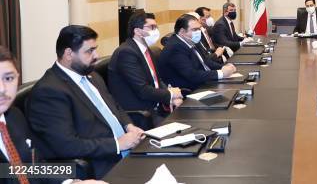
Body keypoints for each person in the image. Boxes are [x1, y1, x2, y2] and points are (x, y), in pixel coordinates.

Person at [27, 26, 144, 179]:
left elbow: (115, 107)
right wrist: (117, 144)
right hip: (99, 166)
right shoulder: (48, 91)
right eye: (89, 51)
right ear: (69, 54)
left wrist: (129, 126)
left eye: (95, 49)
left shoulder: (92, 75)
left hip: (129, 151)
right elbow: (67, 145)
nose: (96, 55)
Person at [0, 47, 107, 184]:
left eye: (8, 78)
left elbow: (34, 168)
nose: (2, 89)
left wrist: (71, 183)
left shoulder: (14, 116)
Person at [108, 11, 183, 129]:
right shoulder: (126, 53)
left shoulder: (146, 49)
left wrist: (172, 97)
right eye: (151, 27)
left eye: (156, 27)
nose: (155, 31)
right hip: (141, 114)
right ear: (137, 31)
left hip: (156, 107)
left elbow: (157, 81)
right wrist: (170, 94)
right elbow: (142, 90)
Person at [159, 14, 236, 91]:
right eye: (195, 30)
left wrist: (223, 67)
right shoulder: (175, 47)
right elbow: (192, 75)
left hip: (203, 82)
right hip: (189, 89)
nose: (199, 32)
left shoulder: (191, 40)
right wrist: (221, 73)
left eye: (199, 29)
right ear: (182, 31)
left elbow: (205, 61)